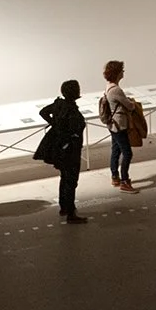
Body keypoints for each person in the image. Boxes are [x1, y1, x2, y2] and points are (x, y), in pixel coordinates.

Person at [39, 80, 88, 224]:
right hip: (70, 151)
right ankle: (71, 212)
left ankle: (64, 207)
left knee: (65, 177)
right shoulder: (70, 109)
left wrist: (55, 125)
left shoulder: (59, 105)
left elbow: (43, 112)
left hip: (62, 148)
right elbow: (74, 129)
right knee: (71, 180)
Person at [101, 59, 137, 191]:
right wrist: (133, 104)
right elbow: (129, 106)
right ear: (117, 73)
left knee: (116, 150)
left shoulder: (108, 86)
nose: (123, 72)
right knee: (127, 153)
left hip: (112, 125)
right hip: (119, 125)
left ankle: (115, 176)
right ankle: (124, 181)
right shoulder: (116, 90)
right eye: (122, 70)